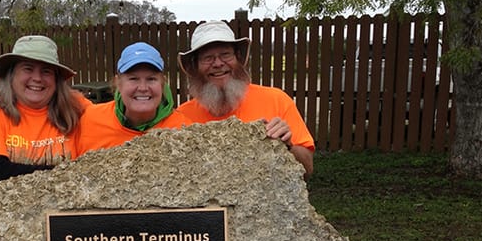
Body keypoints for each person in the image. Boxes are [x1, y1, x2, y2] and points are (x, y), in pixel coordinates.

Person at [177, 20, 315, 177]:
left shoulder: (277, 100)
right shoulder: (182, 116)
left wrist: (288, 146)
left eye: (225, 54)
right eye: (207, 58)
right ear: (195, 66)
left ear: (238, 57)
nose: (217, 64)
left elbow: (308, 169)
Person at [0, 35, 89, 190]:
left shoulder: (78, 107)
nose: (37, 78)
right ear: (11, 75)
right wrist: (68, 175)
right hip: (3, 210)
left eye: (46, 71)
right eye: (28, 69)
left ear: (56, 79)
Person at [76, 42, 190, 154]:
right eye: (133, 79)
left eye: (151, 79)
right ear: (118, 83)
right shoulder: (90, 120)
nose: (143, 88)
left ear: (163, 83)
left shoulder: (183, 130)